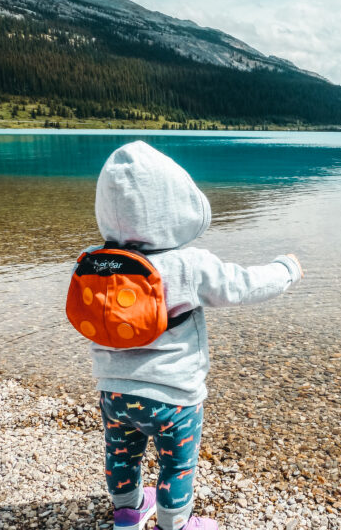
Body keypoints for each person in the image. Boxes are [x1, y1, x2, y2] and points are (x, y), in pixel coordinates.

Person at [75, 141, 303, 530]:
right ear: (173, 206)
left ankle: (128, 514)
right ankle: (174, 523)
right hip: (174, 400)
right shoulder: (187, 265)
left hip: (113, 393)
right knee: (177, 465)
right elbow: (241, 286)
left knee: (121, 455)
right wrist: (286, 269)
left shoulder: (93, 261)